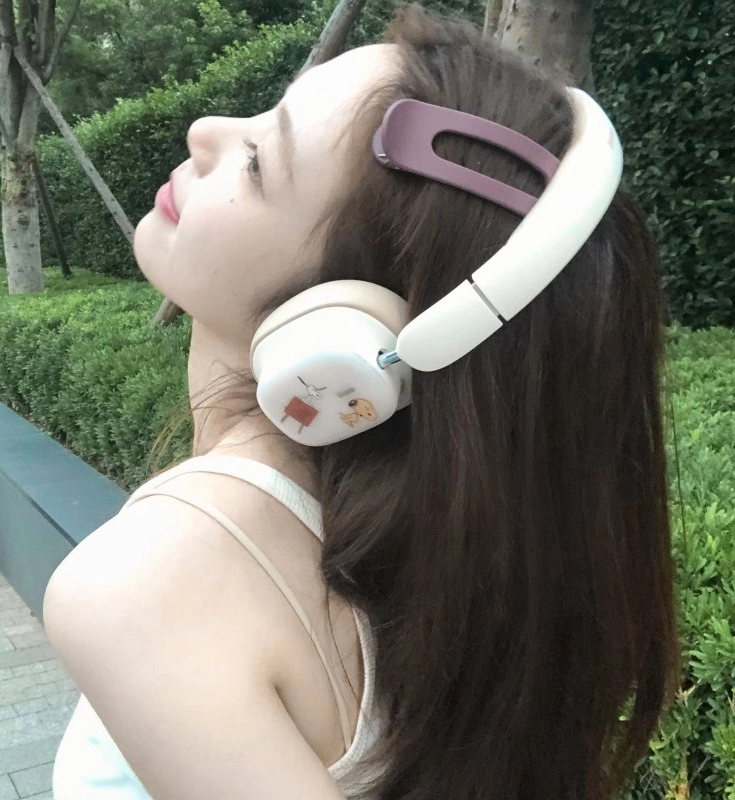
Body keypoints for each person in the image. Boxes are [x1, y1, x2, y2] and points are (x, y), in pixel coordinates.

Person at [44, 4, 679, 800]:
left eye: (258, 165)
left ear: (353, 327)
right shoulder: (444, 558)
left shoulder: (150, 580)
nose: (205, 131)